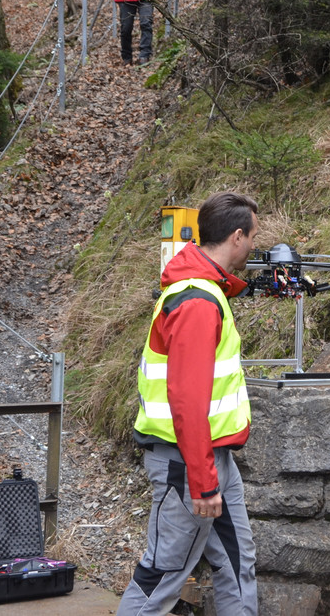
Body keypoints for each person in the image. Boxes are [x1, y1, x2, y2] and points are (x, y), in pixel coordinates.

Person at [117, 191, 259, 616]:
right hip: (189, 462)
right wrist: (203, 482)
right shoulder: (198, 301)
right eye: (252, 236)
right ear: (236, 237)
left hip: (212, 458)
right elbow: (186, 399)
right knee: (164, 573)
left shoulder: (205, 292)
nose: (254, 245)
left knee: (238, 562)